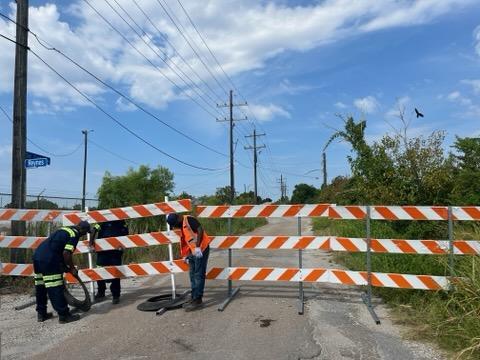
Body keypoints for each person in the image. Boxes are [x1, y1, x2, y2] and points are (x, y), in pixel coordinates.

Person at [32, 220, 92, 324]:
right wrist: (72, 268)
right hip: (49, 260)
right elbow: (66, 253)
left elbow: (57, 248)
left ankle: (41, 314)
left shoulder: (65, 229)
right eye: (85, 232)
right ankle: (64, 316)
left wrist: (64, 266)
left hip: (38, 256)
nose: (84, 235)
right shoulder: (74, 235)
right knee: (55, 288)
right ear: (82, 230)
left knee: (41, 287)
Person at [166, 212, 211, 311]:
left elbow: (200, 230)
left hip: (201, 249)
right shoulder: (182, 224)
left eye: (175, 225)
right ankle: (194, 296)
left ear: (178, 219)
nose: (175, 227)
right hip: (192, 251)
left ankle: (198, 300)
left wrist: (198, 247)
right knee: (192, 274)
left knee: (199, 274)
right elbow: (188, 240)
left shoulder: (189, 220)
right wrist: (187, 255)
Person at [90, 220, 128, 304]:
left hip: (115, 252)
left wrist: (123, 246)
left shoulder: (121, 222)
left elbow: (126, 235)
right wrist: (91, 244)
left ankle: (115, 295)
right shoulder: (102, 221)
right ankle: (101, 292)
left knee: (115, 272)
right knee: (100, 271)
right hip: (103, 251)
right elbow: (94, 230)